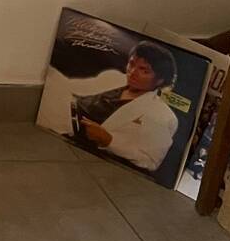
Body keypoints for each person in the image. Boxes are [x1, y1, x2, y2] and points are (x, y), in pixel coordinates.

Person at [66, 41, 180, 173]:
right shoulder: (113, 77)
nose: (132, 72)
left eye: (144, 70)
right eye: (131, 64)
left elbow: (150, 161)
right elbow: (72, 88)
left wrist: (109, 140)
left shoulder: (163, 116)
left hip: (97, 165)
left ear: (160, 80)